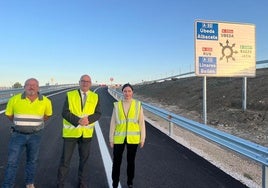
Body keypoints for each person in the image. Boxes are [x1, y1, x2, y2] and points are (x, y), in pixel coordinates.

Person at [2, 78, 53, 188]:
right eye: (28, 85)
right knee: (12, 163)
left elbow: (48, 115)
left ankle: (29, 183)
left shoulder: (45, 101)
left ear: (38, 87)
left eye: (34, 85)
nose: (31, 87)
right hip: (17, 135)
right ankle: (7, 185)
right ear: (24, 87)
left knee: (32, 161)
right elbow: (9, 114)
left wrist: (35, 124)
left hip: (35, 136)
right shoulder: (14, 99)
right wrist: (20, 124)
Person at [57, 74, 101, 188]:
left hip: (86, 134)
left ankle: (82, 184)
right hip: (71, 133)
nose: (85, 83)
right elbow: (65, 112)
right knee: (65, 161)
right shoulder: (70, 95)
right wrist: (78, 120)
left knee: (84, 162)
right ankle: (60, 184)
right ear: (79, 82)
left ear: (90, 84)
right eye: (83, 81)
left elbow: (98, 113)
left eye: (87, 81)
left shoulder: (95, 96)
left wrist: (88, 120)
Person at [109, 83, 146, 188]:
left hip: (133, 139)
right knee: (116, 162)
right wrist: (111, 139)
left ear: (132, 92)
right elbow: (113, 122)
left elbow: (141, 123)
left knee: (131, 162)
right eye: (125, 91)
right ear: (122, 92)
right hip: (119, 138)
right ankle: (114, 183)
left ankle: (130, 183)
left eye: (129, 91)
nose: (127, 93)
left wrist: (142, 138)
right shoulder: (117, 105)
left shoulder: (138, 105)